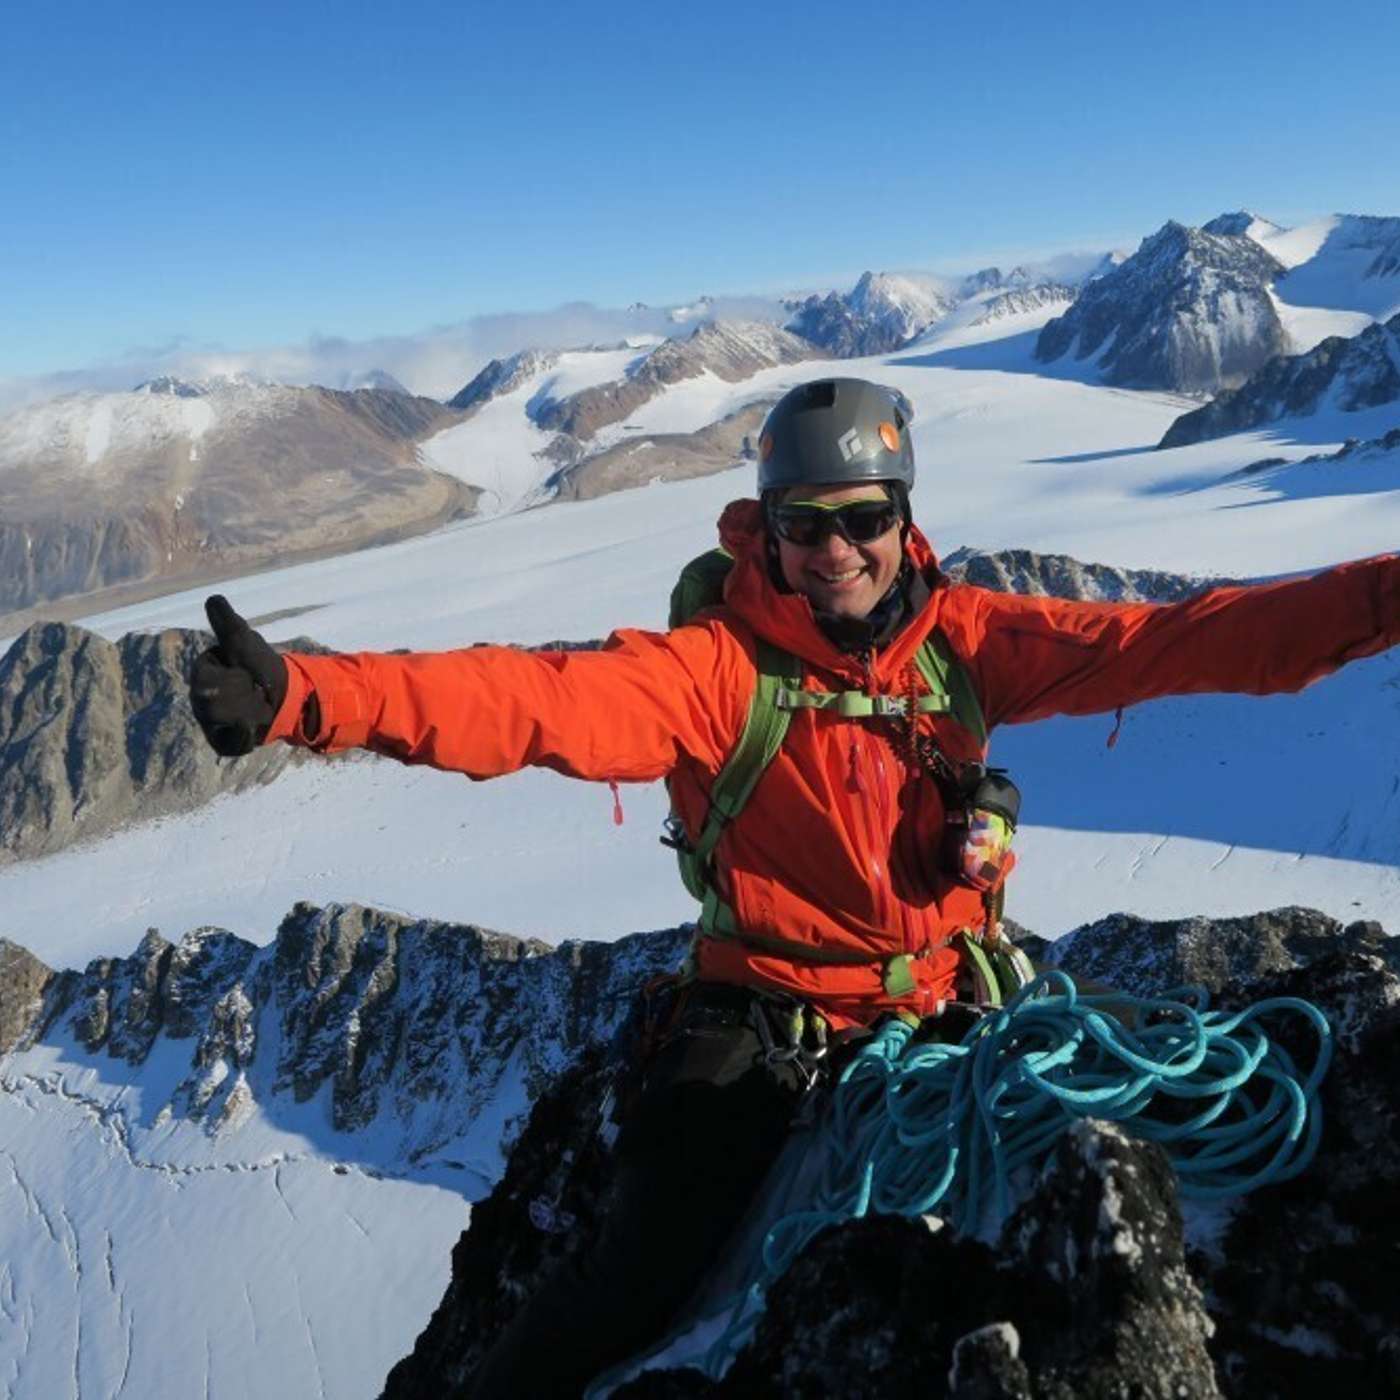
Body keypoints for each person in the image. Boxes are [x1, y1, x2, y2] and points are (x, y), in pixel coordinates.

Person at [189, 376, 1400, 1396]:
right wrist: (310, 695)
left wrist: (1379, 598)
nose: (834, 551)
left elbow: (1171, 640)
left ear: (902, 517)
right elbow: (534, 697)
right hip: (770, 1018)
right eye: (803, 524)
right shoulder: (715, 670)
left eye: (860, 519)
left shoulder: (960, 643)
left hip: (946, 993)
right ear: (762, 530)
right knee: (626, 1287)